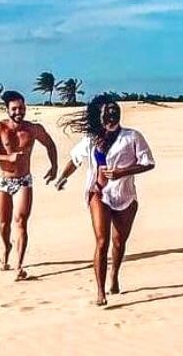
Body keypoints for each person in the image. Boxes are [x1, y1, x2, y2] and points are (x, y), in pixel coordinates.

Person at [54, 95, 155, 306]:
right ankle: (100, 291)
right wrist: (62, 177)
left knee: (119, 242)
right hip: (98, 194)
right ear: (99, 116)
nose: (112, 113)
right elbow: (75, 160)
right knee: (102, 241)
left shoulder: (132, 137)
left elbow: (148, 163)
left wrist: (122, 172)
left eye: (115, 109)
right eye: (107, 111)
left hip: (125, 195)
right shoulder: (90, 141)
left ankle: (114, 274)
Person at [0, 91, 59, 280]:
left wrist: (54, 166)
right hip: (3, 181)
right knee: (3, 223)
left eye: (22, 108)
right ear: (7, 110)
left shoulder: (33, 129)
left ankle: (19, 265)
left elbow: (50, 144)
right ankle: (6, 247)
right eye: (14, 109)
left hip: (23, 180)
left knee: (21, 221)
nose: (19, 112)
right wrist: (7, 157)